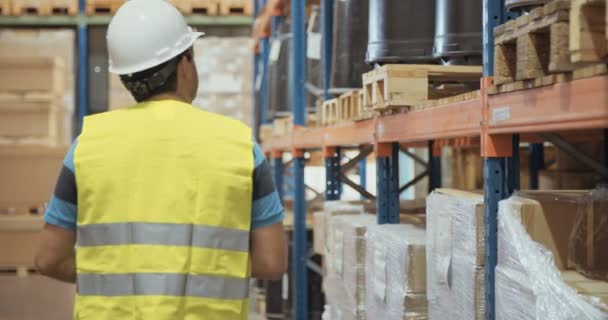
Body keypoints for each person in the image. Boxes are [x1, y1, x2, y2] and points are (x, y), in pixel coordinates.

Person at [34, 0, 287, 318]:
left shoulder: (88, 146)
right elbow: (271, 262)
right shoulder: (238, 145)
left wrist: (112, 276)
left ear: (126, 77)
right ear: (184, 64)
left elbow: (48, 259)